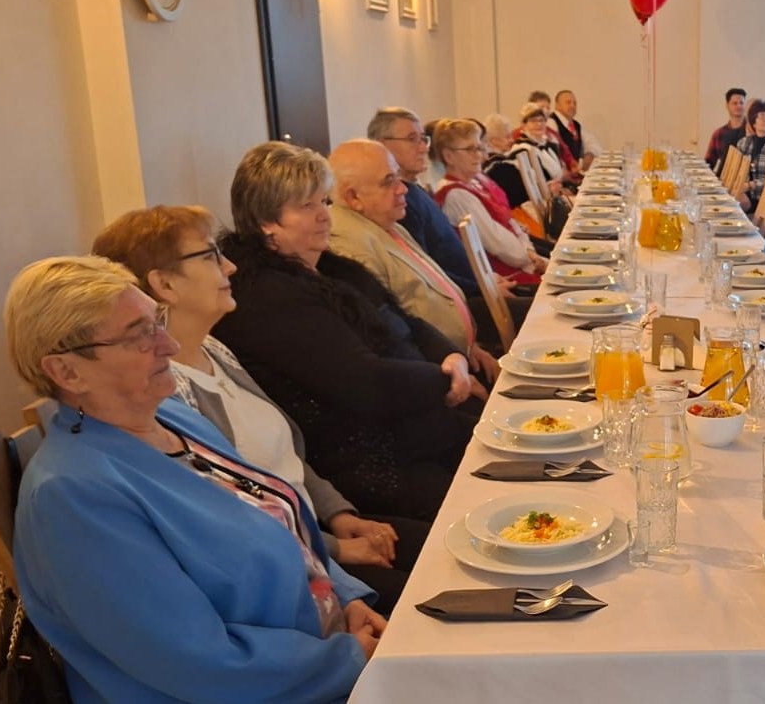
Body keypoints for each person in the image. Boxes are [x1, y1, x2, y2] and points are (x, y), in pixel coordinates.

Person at [6, 256, 379, 701]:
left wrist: (347, 599)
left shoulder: (174, 417)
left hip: (319, 657)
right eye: (139, 335)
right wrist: (346, 658)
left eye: (157, 321)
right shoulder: (70, 497)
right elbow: (195, 662)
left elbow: (277, 522)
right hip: (276, 687)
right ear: (67, 371)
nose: (168, 344)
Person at [91, 206, 427, 617]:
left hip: (313, 531)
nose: (230, 266)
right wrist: (335, 548)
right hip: (293, 565)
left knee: (449, 544)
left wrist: (337, 512)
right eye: (210, 255)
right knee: (442, 594)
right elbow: (235, 511)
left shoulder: (214, 348)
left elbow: (282, 447)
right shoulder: (163, 394)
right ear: (165, 284)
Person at [213, 142, 479, 521]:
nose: (324, 215)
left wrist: (453, 357)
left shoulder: (330, 268)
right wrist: (446, 377)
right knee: (497, 496)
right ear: (266, 220)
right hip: (372, 461)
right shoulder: (267, 295)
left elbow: (409, 323)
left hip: (419, 423)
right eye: (306, 206)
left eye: (324, 201)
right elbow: (365, 382)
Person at [327, 139, 502, 377]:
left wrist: (471, 348)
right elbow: (394, 337)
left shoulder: (386, 223)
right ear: (353, 197)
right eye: (389, 181)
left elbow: (432, 293)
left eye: (398, 177)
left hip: (458, 359)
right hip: (439, 374)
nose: (403, 189)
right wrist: (455, 373)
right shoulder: (350, 245)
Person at [367, 107, 482, 300]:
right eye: (412, 139)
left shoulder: (415, 189)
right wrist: (482, 289)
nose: (423, 148)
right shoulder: (397, 201)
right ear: (382, 146)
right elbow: (426, 271)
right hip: (461, 300)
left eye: (423, 139)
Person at [432, 120, 549, 287]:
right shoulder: (456, 194)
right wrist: (530, 259)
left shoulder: (478, 179)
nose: (478, 155)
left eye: (479, 148)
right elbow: (497, 242)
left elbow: (509, 220)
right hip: (506, 277)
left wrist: (529, 249)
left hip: (523, 260)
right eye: (470, 149)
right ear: (448, 156)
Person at [515, 103, 574, 189]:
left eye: (541, 120)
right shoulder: (522, 149)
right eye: (533, 121)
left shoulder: (549, 144)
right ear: (523, 125)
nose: (539, 124)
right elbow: (535, 183)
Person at [550, 89, 601, 169]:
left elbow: (592, 142)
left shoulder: (575, 125)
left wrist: (590, 154)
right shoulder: (551, 123)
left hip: (576, 171)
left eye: (574, 103)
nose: (572, 106)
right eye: (568, 102)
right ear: (557, 105)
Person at [705, 87, 749, 167]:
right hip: (724, 174)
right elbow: (709, 162)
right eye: (735, 103)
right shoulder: (719, 134)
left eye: (741, 103)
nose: (739, 106)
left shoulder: (753, 132)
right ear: (727, 106)